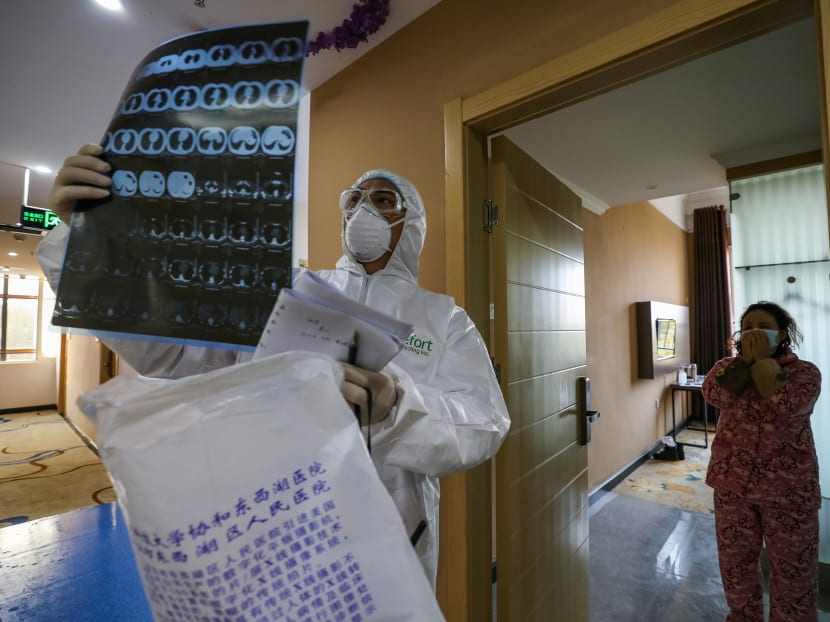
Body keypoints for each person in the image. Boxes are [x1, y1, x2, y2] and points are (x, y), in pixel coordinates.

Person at [38, 144, 511, 589]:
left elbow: (486, 424)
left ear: (410, 219)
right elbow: (175, 348)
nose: (363, 211)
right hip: (279, 519)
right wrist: (87, 243)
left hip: (394, 532)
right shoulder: (292, 293)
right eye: (355, 200)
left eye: (383, 200)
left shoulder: (443, 318)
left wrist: (399, 407)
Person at [702, 301, 821, 622]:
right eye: (748, 326)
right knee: (736, 565)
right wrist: (744, 365)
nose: (754, 332)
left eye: (763, 327)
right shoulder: (726, 367)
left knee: (794, 570)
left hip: (789, 490)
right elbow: (716, 396)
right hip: (732, 485)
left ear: (781, 333)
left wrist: (764, 365)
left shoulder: (804, 372)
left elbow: (788, 404)